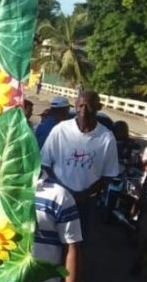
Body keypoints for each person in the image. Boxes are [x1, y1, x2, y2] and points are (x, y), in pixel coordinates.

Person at [40, 91, 120, 236]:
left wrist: (84, 194)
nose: (84, 110)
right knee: (52, 239)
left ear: (98, 107)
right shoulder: (61, 130)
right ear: (75, 105)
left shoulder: (106, 138)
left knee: (78, 241)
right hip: (58, 197)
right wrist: (62, 190)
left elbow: (108, 175)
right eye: (81, 105)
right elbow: (45, 163)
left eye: (89, 106)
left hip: (86, 203)